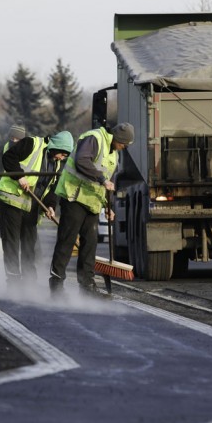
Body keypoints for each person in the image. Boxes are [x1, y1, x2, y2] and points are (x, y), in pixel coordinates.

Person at [49, 122, 134, 295]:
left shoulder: (114, 154)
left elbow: (105, 184)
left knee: (90, 244)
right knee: (66, 241)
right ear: (117, 138)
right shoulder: (94, 138)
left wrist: (106, 206)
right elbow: (82, 160)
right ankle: (56, 285)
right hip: (74, 196)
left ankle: (87, 286)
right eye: (124, 144)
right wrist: (102, 179)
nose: (124, 148)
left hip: (92, 202)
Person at [0, 128, 74, 286]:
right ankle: (14, 280)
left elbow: (51, 189)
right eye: (62, 154)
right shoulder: (32, 144)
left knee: (30, 245)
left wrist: (50, 206)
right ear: (56, 146)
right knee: (11, 242)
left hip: (32, 208)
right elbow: (8, 157)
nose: (62, 158)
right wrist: (19, 175)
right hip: (12, 201)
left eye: (65, 156)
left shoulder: (56, 165)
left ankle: (30, 281)